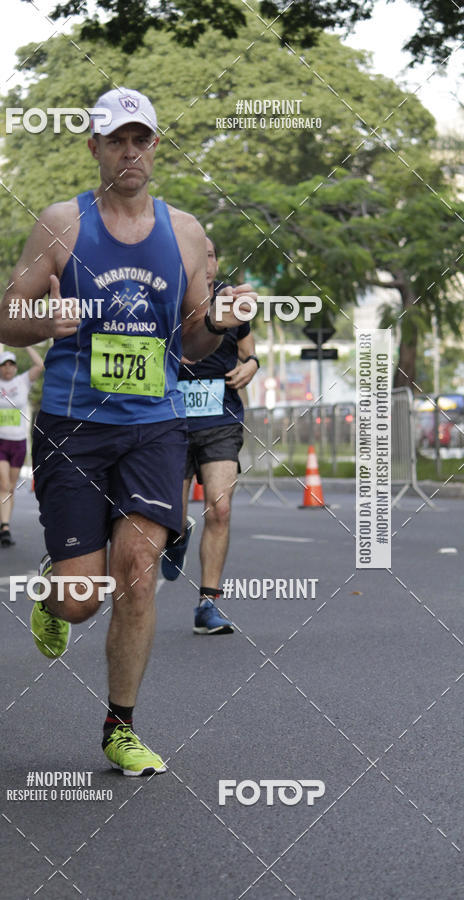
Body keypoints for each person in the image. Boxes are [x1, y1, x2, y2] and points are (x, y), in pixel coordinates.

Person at [0, 87, 254, 776]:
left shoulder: (187, 232)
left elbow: (194, 344)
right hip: (73, 428)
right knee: (82, 601)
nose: (129, 151)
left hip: (154, 426)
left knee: (138, 573)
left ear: (155, 147)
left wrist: (220, 325)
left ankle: (121, 725)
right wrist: (43, 323)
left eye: (141, 139)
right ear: (95, 148)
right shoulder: (62, 225)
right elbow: (4, 321)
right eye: (116, 140)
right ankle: (58, 590)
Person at [161, 238, 260, 635]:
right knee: (169, 512)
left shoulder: (232, 300)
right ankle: (177, 532)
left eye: (212, 255)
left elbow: (249, 351)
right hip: (170, 418)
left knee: (220, 508)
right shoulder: (168, 299)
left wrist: (252, 365)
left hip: (221, 415)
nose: (206, 262)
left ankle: (208, 603)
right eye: (196, 256)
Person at [0, 338, 44, 546]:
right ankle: (3, 527)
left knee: (10, 487)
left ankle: (6, 523)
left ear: (15, 368)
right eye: (4, 365)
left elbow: (40, 365)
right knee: (3, 483)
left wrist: (25, 343)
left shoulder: (22, 381)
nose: (8, 368)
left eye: (11, 364)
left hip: (18, 442)